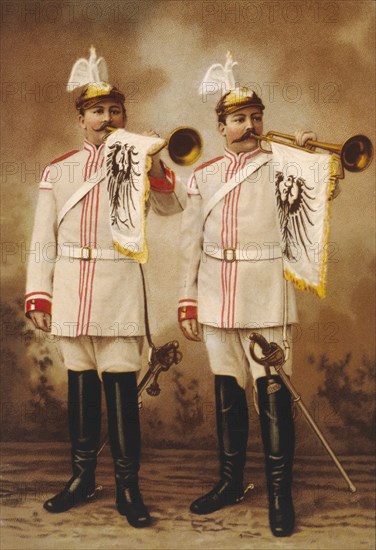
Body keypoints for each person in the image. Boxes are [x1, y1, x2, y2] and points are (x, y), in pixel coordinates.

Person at [25, 82, 183, 528]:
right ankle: (81, 479)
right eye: (97, 111)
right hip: (72, 286)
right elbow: (43, 240)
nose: (107, 119)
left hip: (119, 285)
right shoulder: (58, 171)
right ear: (81, 119)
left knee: (120, 392)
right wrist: (40, 292)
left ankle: (128, 487)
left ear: (125, 118)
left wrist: (154, 163)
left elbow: (173, 206)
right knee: (80, 389)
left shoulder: (140, 163)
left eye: (115, 110)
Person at [178, 86, 317, 537]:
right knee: (227, 394)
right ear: (221, 127)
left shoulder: (285, 163)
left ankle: (280, 497)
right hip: (216, 294)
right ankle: (231, 483)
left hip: (266, 294)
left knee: (273, 395)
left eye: (256, 117)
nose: (250, 127)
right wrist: (188, 298)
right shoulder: (203, 175)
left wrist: (310, 158)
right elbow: (189, 244)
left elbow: (320, 202)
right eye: (239, 119)